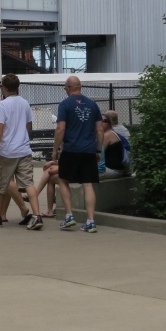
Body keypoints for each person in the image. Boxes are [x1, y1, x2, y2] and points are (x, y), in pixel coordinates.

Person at [0, 74, 43, 230]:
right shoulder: (25, 103)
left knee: (1, 185)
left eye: (1, 86)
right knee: (28, 183)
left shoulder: (2, 105)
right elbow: (29, 127)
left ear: (5, 88)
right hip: (24, 149)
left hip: (7, 151)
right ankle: (37, 215)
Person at [53, 76, 103, 233]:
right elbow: (100, 130)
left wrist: (55, 149)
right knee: (87, 184)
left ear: (68, 88)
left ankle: (69, 216)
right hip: (89, 150)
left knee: (62, 180)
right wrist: (98, 150)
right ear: (80, 87)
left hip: (71, 149)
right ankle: (90, 221)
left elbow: (60, 128)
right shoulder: (93, 105)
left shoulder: (65, 104)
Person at [98, 114, 126, 179]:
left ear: (109, 123)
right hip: (113, 170)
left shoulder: (107, 135)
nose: (101, 122)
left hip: (113, 171)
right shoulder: (111, 132)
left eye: (104, 121)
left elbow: (98, 155)